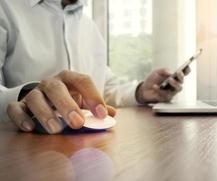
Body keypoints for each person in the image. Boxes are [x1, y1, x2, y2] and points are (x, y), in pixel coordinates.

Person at [0, 0, 189, 134]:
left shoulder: (88, 25)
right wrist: (25, 95)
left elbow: (105, 88)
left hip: (88, 148)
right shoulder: (5, 9)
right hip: (27, 149)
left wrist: (142, 92)